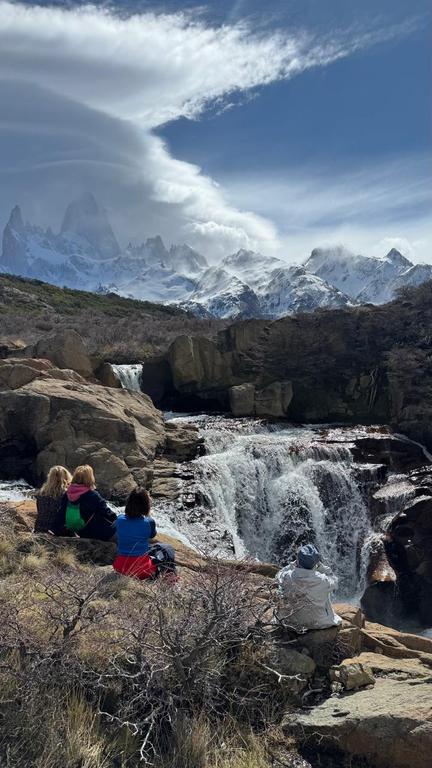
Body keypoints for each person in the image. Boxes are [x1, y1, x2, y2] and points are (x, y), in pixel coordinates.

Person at [275, 543, 341, 631]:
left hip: (291, 622)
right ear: (316, 563)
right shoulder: (322, 580)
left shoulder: (287, 576)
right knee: (325, 591)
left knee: (282, 591)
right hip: (318, 623)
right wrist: (321, 567)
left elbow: (278, 575)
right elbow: (335, 582)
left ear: (298, 560)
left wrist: (292, 565)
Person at [52, 465, 116, 541]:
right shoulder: (92, 495)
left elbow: (61, 513)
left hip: (83, 532)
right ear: (90, 478)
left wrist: (55, 529)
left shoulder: (68, 493)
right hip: (101, 532)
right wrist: (118, 519)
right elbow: (106, 511)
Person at [113, 488, 159, 579]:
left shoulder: (119, 519)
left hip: (120, 567)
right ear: (146, 504)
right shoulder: (149, 522)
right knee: (166, 549)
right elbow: (152, 535)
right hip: (142, 569)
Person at [34, 466, 72, 533]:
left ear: (49, 478)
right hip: (57, 530)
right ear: (66, 477)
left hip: (39, 528)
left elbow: (40, 511)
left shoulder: (41, 493)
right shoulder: (66, 494)